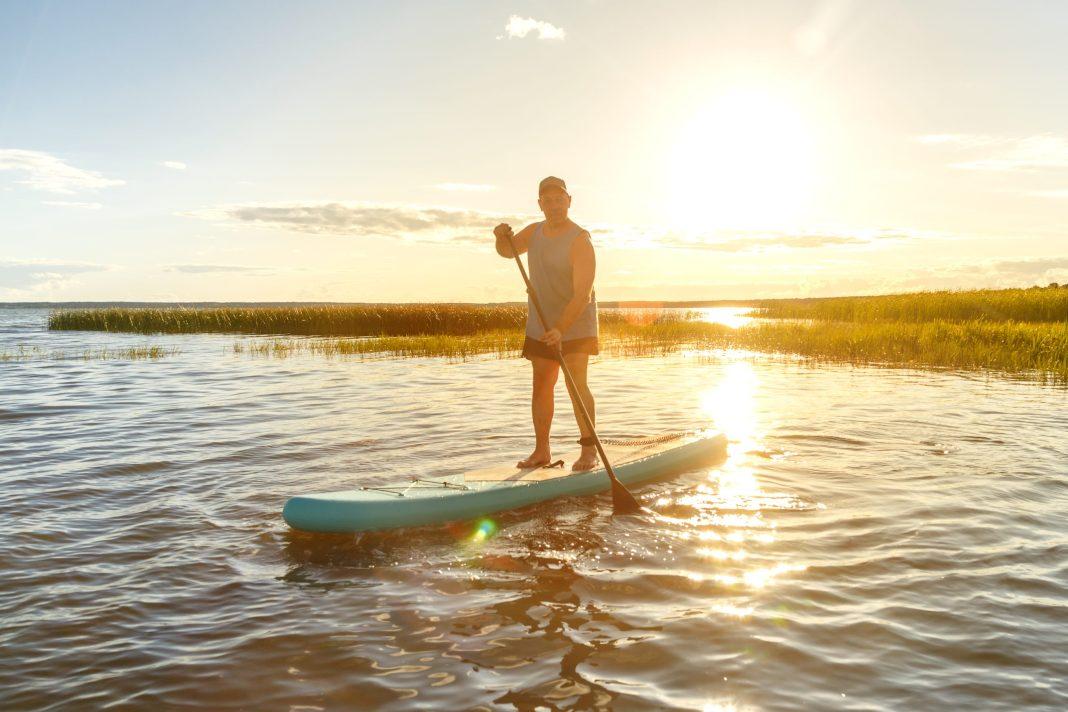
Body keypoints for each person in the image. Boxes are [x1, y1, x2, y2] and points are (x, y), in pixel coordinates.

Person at [494, 176, 600, 472]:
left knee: (575, 383)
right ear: (540, 204)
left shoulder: (581, 240)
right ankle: (542, 451)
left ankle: (589, 451)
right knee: (541, 384)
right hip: (541, 322)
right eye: (548, 200)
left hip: (576, 323)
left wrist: (561, 329)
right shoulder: (534, 232)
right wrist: (499, 236)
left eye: (560, 199)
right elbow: (508, 251)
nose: (554, 205)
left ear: (569, 201)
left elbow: (583, 294)